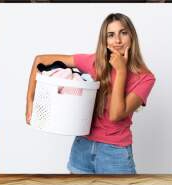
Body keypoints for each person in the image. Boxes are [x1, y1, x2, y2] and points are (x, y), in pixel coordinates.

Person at [26, 13, 156, 174]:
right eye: (111, 35)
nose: (117, 41)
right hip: (82, 147)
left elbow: (116, 114)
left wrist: (121, 70)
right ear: (104, 40)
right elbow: (41, 60)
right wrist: (30, 103)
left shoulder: (145, 78)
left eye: (123, 33)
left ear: (132, 36)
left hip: (115, 153)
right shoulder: (94, 62)